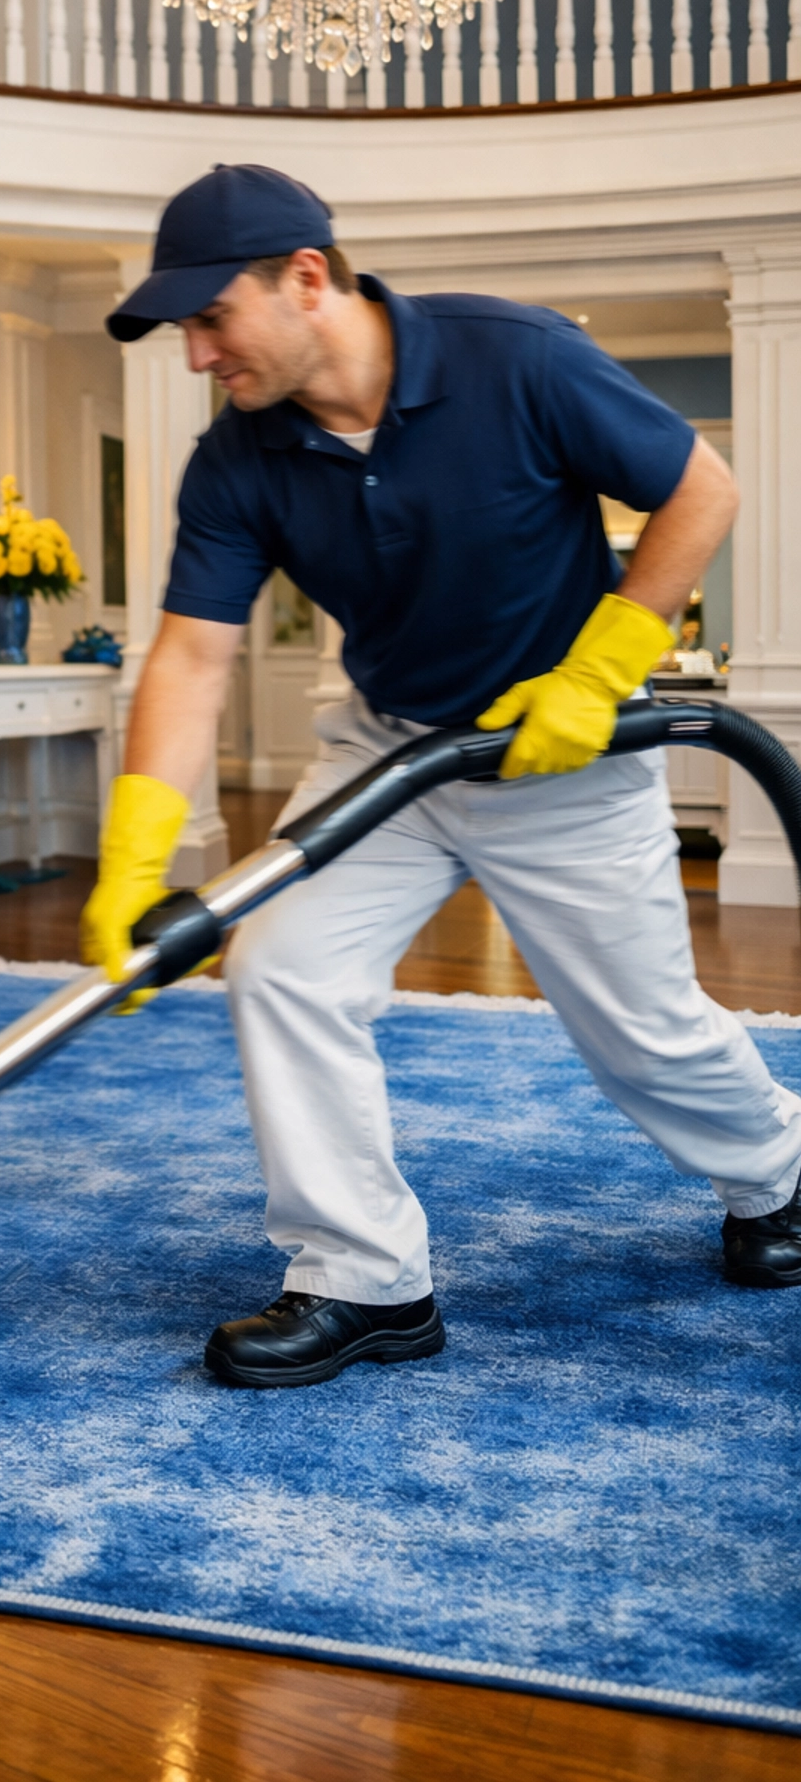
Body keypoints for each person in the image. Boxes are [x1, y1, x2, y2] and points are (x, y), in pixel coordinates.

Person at [82, 163, 801, 1389]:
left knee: (643, 1038)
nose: (197, 355)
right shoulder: (237, 460)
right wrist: (136, 858)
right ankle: (361, 1280)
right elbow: (195, 654)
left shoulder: (514, 357)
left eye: (210, 318)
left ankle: (777, 1176)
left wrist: (600, 668)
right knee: (280, 969)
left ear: (306, 279)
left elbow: (702, 486)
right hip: (394, 752)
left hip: (565, 748)